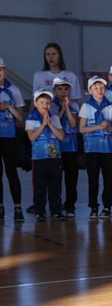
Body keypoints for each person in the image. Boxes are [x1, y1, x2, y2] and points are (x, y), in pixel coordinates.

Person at [79, 76, 112, 219]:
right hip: (92, 149)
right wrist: (97, 127)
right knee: (93, 180)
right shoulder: (86, 107)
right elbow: (82, 129)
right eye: (95, 88)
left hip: (108, 149)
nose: (99, 90)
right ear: (90, 90)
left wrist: (108, 127)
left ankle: (107, 206)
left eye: (101, 87)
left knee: (109, 179)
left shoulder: (110, 107)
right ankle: (93, 207)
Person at [26, 89, 64, 222]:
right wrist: (43, 125)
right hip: (39, 158)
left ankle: (56, 211)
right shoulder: (31, 119)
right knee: (39, 186)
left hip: (54, 157)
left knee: (55, 185)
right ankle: (40, 211)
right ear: (35, 103)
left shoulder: (55, 118)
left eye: (47, 103)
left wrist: (50, 124)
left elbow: (61, 136)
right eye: (42, 102)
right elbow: (32, 137)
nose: (45, 105)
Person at [0, 57, 26, 222]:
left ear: (5, 71)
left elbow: (21, 118)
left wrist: (9, 107)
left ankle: (17, 207)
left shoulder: (14, 90)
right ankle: (0, 206)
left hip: (9, 137)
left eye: (1, 69)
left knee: (11, 172)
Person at [51, 77, 80, 217]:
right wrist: (62, 109)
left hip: (71, 147)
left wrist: (67, 107)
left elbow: (74, 123)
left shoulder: (74, 105)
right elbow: (53, 122)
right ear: (54, 90)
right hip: (55, 147)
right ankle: (55, 205)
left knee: (71, 179)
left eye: (66, 89)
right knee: (54, 179)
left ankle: (70, 206)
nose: (63, 92)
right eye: (60, 89)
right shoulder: (50, 104)